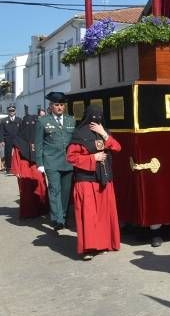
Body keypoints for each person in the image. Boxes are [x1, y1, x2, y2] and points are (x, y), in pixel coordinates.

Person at [66, 105, 122, 261]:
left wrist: (103, 133)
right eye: (93, 116)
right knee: (89, 216)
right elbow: (71, 157)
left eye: (99, 117)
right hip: (86, 181)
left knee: (103, 214)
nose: (96, 120)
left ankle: (103, 244)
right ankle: (89, 248)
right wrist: (93, 158)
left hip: (104, 179)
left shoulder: (104, 132)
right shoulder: (79, 134)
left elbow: (117, 148)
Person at [34, 92, 76, 233]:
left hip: (68, 162)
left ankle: (63, 215)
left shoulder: (71, 120)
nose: (59, 107)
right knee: (54, 190)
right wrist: (39, 163)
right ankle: (58, 220)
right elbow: (38, 144)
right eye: (56, 105)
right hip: (51, 162)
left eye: (61, 105)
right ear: (51, 106)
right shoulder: (42, 121)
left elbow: (75, 142)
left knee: (65, 192)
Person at [11, 114, 49, 219]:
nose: (30, 126)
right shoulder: (18, 139)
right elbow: (16, 156)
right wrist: (16, 170)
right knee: (27, 190)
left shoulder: (39, 137)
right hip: (24, 166)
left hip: (37, 165)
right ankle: (28, 212)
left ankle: (42, 209)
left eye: (33, 124)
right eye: (27, 124)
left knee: (40, 187)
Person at [1, 105, 21, 174]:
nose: (11, 112)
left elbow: (21, 131)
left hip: (17, 140)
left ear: (15, 111)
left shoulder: (19, 120)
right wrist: (2, 140)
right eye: (10, 111)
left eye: (13, 111)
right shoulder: (3, 120)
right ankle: (8, 168)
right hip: (8, 139)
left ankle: (18, 167)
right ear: (8, 111)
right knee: (8, 154)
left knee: (18, 153)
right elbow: (1, 131)